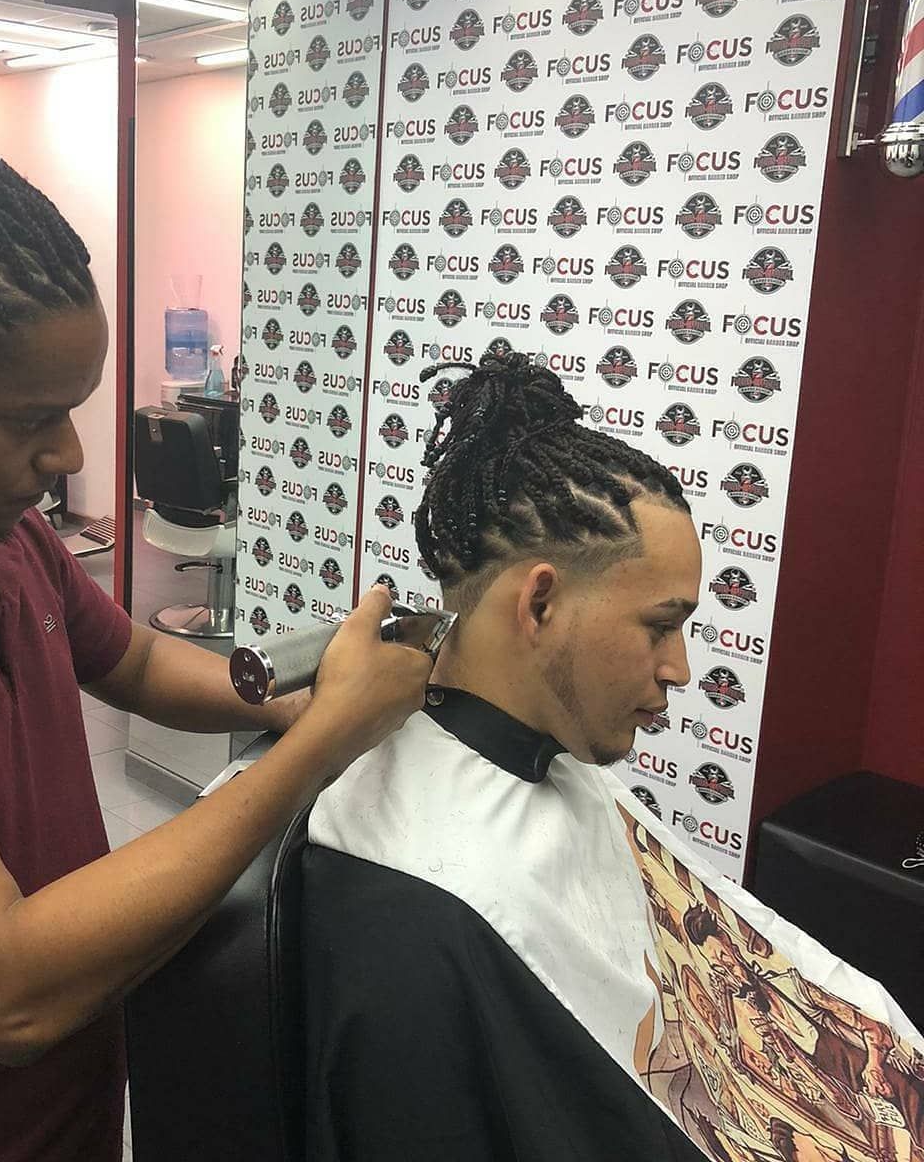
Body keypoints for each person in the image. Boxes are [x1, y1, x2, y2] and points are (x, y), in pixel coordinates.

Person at [0, 36, 432, 1162]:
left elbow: (138, 666)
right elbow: (5, 988)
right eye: (29, 418)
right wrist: (316, 749)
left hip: (77, 1117)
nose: (67, 454)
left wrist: (291, 704)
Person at [301, 353, 924, 1161]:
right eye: (660, 625)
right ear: (541, 602)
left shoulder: (550, 775)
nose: (681, 669)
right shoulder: (408, 908)